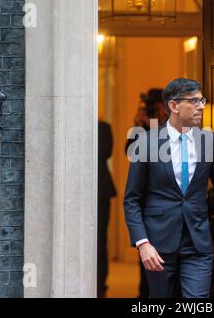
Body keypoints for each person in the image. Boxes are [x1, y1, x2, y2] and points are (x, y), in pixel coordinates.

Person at [124, 78, 214, 298]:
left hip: (197, 244)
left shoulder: (208, 141)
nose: (201, 106)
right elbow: (132, 199)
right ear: (174, 106)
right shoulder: (145, 143)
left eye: (202, 100)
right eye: (194, 101)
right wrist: (142, 243)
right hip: (157, 245)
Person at [125, 88, 167, 298]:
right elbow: (130, 152)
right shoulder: (141, 130)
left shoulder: (173, 128)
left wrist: (156, 122)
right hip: (147, 202)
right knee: (146, 253)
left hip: (166, 202)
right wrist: (139, 123)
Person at [98, 121, 117, 298]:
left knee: (100, 240)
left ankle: (100, 285)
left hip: (101, 191)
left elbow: (104, 153)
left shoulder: (103, 127)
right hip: (75, 189)